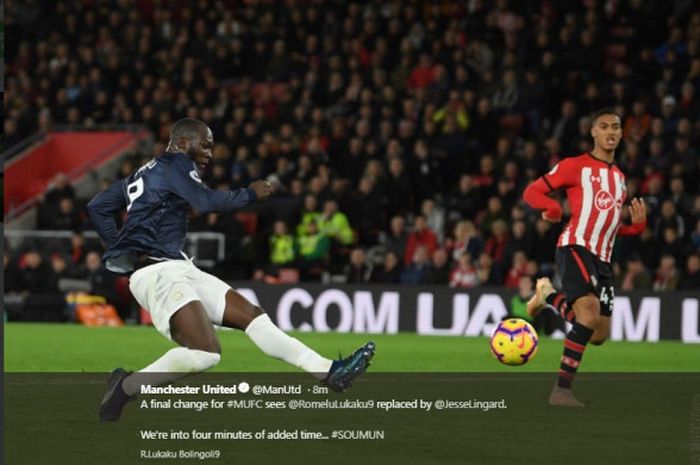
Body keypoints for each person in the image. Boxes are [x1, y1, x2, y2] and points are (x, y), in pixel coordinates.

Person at [88, 118, 375, 421]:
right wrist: (249, 193)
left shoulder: (145, 172)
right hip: (158, 273)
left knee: (253, 316)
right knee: (205, 353)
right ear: (183, 142)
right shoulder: (175, 164)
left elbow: (98, 206)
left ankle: (330, 372)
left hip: (176, 266)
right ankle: (125, 387)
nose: (210, 153)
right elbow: (205, 201)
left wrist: (120, 248)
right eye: (206, 145)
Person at [523, 108, 647, 407]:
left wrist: (635, 227)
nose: (611, 132)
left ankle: (549, 296)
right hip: (575, 246)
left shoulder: (619, 178)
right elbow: (532, 192)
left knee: (598, 334)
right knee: (589, 316)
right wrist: (551, 208)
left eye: (616, 127)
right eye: (604, 127)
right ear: (593, 132)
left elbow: (610, 226)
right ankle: (561, 391)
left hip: (602, 259)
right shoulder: (574, 166)